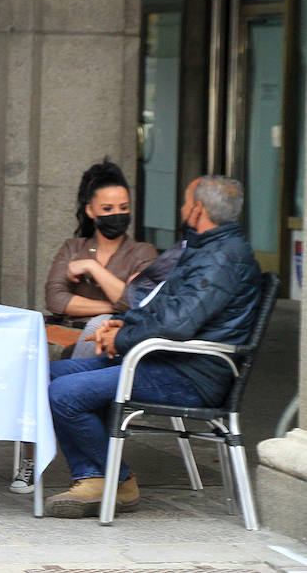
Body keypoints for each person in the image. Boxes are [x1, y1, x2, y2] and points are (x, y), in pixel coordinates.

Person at [45, 176, 262, 518]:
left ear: (197, 209)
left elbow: (177, 323)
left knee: (65, 393)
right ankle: (98, 478)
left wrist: (121, 338)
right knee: (48, 376)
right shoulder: (203, 248)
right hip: (163, 359)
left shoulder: (222, 259)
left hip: (189, 375)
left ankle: (117, 480)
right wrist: (124, 324)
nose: (180, 208)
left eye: (185, 201)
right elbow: (160, 306)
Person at [46, 159, 158, 323]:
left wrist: (93, 267)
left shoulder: (144, 252)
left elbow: (141, 301)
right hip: (71, 336)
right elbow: (55, 300)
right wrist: (114, 306)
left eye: (124, 207)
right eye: (107, 208)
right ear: (90, 210)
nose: (117, 214)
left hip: (115, 342)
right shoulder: (73, 248)